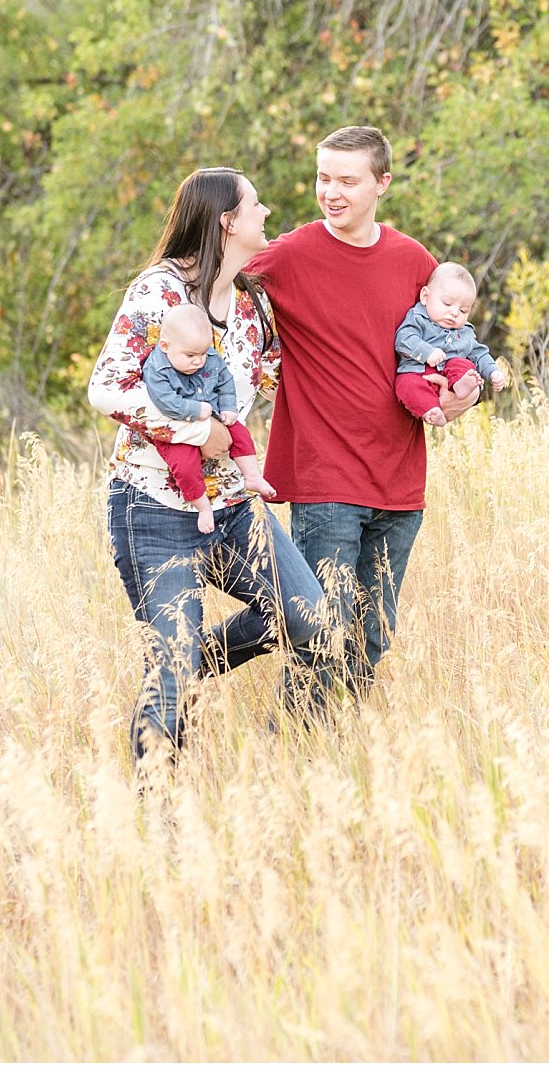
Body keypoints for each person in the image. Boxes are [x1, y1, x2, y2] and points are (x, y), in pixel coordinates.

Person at [202, 125, 480, 694]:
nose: (331, 191)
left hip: (400, 476)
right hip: (324, 474)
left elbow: (442, 354)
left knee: (372, 635)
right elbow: (207, 283)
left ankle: (340, 757)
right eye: (323, 177)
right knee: (318, 631)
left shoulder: (414, 262)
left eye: (347, 181)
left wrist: (460, 398)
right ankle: (205, 673)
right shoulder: (290, 255)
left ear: (382, 183)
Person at [87, 167, 343, 767]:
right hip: (153, 506)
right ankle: (158, 809)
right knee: (170, 671)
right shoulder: (159, 292)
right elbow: (106, 387)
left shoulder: (252, 306)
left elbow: (289, 375)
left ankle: (182, 663)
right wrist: (197, 431)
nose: (268, 211)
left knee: (307, 617)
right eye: (256, 204)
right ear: (227, 222)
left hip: (231, 507)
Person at [141, 302, 277, 533]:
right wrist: (194, 410)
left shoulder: (207, 356)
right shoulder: (157, 368)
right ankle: (202, 506)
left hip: (211, 412)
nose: (199, 361)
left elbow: (224, 380)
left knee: (240, 432)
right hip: (177, 428)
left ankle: (252, 475)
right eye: (191, 355)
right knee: (184, 465)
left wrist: (227, 407)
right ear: (165, 346)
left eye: (203, 354)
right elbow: (164, 401)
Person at [394, 261, 510, 426]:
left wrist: (493, 372)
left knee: (463, 364)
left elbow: (479, 354)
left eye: (463, 310)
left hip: (450, 377)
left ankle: (462, 384)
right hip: (418, 373)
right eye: (447, 304)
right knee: (405, 385)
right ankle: (431, 410)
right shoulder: (418, 318)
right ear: (425, 296)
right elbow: (403, 338)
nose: (455, 313)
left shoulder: (465, 332)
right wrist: (427, 352)